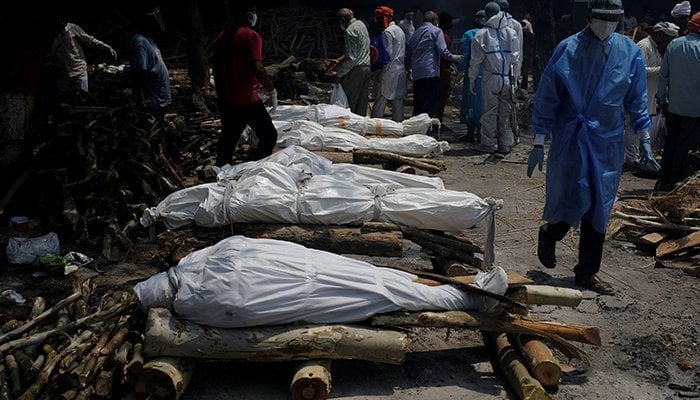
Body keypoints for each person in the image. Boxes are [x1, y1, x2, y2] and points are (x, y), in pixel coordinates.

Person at [526, 0, 659, 295]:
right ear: (588, 16)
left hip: (607, 141)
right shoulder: (568, 48)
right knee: (572, 197)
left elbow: (636, 100)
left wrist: (645, 138)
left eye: (612, 19)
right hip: (571, 137)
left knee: (599, 206)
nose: (606, 24)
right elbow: (548, 95)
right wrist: (538, 140)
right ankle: (551, 233)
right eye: (601, 18)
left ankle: (586, 273)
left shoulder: (629, 52)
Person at [212, 0, 278, 167]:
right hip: (247, 99)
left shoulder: (222, 37)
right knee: (269, 135)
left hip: (227, 100)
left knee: (228, 141)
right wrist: (271, 90)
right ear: (248, 15)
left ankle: (221, 171)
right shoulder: (250, 36)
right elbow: (257, 66)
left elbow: (216, 69)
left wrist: (220, 94)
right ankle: (256, 168)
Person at [623, 21, 679, 167]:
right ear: (659, 35)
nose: (668, 42)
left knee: (641, 126)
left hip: (648, 93)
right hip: (638, 92)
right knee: (632, 126)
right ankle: (631, 159)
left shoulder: (657, 48)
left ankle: (638, 155)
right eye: (667, 38)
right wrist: (663, 69)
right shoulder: (644, 46)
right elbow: (640, 70)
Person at [655, 12, 700, 191]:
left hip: (674, 106)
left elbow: (663, 76)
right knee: (686, 146)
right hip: (695, 109)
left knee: (671, 143)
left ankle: (665, 178)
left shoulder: (674, 44)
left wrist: (661, 99)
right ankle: (677, 184)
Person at [469, 2, 519, 155]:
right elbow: (516, 59)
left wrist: (471, 80)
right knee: (505, 112)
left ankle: (488, 144)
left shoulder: (482, 34)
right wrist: (515, 79)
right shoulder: (511, 32)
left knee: (489, 113)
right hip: (507, 79)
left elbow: (475, 62)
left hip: (490, 78)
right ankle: (505, 144)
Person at [406, 11, 464, 118]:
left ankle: (415, 126)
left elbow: (411, 46)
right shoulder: (437, 31)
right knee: (429, 103)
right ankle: (425, 128)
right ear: (434, 20)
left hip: (417, 72)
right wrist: (456, 58)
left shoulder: (417, 31)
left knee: (418, 101)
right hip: (430, 71)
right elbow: (443, 51)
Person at [49, 17, 117, 94]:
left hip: (78, 70)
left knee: (82, 97)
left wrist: (106, 47)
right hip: (63, 72)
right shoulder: (52, 34)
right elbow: (52, 53)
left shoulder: (72, 28)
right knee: (63, 99)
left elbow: (89, 40)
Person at [328, 8, 371, 116]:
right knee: (362, 101)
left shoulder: (350, 31)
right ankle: (361, 126)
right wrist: (339, 59)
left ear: (342, 19)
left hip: (356, 69)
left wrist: (339, 74)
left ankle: (349, 128)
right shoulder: (361, 25)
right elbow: (358, 48)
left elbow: (351, 58)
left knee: (350, 101)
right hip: (366, 67)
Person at [130, 7, 171, 111]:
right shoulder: (140, 42)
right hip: (153, 103)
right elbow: (139, 72)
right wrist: (142, 100)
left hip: (160, 100)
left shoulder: (148, 40)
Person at [370, 6, 407, 122]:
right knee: (398, 101)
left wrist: (376, 67)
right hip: (400, 69)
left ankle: (375, 126)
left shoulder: (387, 32)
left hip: (389, 69)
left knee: (381, 98)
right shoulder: (399, 30)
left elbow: (387, 54)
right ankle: (398, 126)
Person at [459, 10, 487, 142]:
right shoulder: (491, 34)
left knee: (470, 102)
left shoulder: (468, 34)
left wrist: (460, 69)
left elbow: (465, 56)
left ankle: (470, 133)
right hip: (487, 73)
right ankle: (483, 134)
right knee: (484, 103)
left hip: (472, 72)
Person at [434, 12, 455, 131]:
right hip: (443, 70)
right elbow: (445, 53)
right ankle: (438, 122)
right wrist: (453, 60)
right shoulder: (443, 36)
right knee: (441, 97)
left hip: (439, 69)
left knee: (437, 97)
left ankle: (436, 121)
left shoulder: (437, 33)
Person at [519, 14, 538, 93]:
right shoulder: (528, 25)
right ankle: (524, 86)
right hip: (527, 49)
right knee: (526, 69)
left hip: (521, 48)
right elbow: (531, 36)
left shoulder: (520, 25)